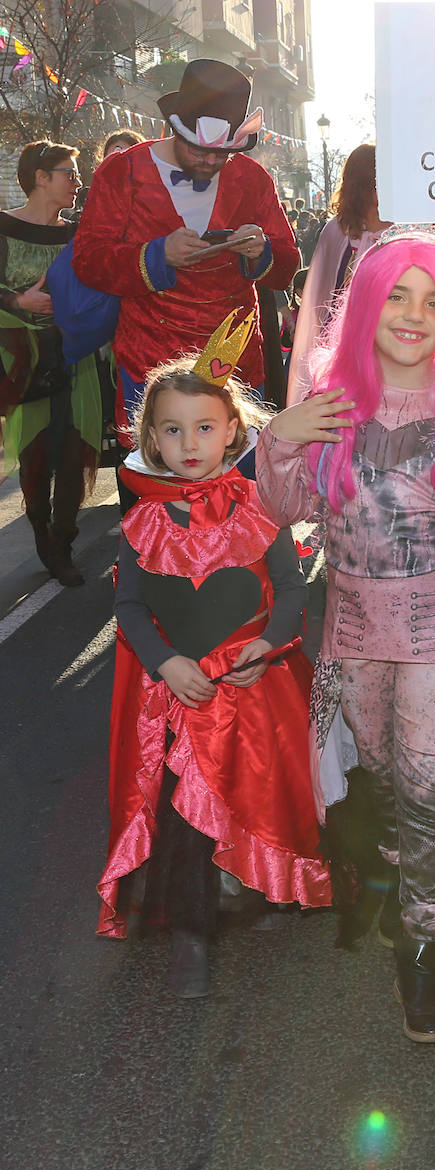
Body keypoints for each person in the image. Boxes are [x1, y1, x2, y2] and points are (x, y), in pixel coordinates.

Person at [255, 228, 435, 1043]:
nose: (414, 314)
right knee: (383, 783)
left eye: (433, 300)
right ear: (366, 305)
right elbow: (283, 509)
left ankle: (423, 953)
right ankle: (402, 882)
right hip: (352, 631)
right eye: (397, 294)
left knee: (424, 793)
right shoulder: (330, 403)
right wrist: (282, 434)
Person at [96, 314, 330, 996]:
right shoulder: (142, 520)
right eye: (172, 430)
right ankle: (191, 936)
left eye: (204, 427)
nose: (189, 443)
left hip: (255, 687)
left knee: (261, 794)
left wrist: (269, 643)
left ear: (231, 430)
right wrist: (165, 663)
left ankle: (263, 886)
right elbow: (129, 607)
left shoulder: (259, 505)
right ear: (151, 437)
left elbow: (291, 588)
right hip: (179, 694)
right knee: (184, 811)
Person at [72, 59, 299, 449]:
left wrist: (260, 252)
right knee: (158, 478)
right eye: (200, 150)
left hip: (234, 364)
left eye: (222, 154)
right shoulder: (122, 172)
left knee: (238, 475)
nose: (211, 161)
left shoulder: (252, 178)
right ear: (175, 129)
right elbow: (88, 261)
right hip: (151, 363)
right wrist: (157, 255)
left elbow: (287, 266)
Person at [0, 140, 100, 585]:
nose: (77, 183)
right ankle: (44, 537)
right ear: (41, 178)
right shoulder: (2, 227)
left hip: (75, 356)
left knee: (75, 451)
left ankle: (63, 544)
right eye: (69, 174)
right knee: (36, 456)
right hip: (21, 361)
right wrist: (18, 301)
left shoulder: (79, 233)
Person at [286, 143, 390, 405]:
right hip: (343, 345)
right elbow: (320, 300)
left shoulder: (404, 229)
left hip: (390, 339)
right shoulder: (336, 232)